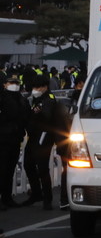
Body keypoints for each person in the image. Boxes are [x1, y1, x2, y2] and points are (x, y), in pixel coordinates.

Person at [23, 75, 65, 210]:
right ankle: (36, 192)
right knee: (28, 164)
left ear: (45, 87)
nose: (35, 90)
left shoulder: (49, 100)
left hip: (44, 136)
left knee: (42, 168)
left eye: (37, 87)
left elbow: (46, 117)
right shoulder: (38, 99)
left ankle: (47, 198)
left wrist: (37, 113)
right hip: (34, 136)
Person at [0, 75, 29, 209]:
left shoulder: (21, 99)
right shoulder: (2, 98)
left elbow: (24, 117)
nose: (14, 85)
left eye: (16, 82)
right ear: (5, 84)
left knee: (10, 170)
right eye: (11, 82)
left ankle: (7, 198)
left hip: (15, 139)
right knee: (2, 170)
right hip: (3, 139)